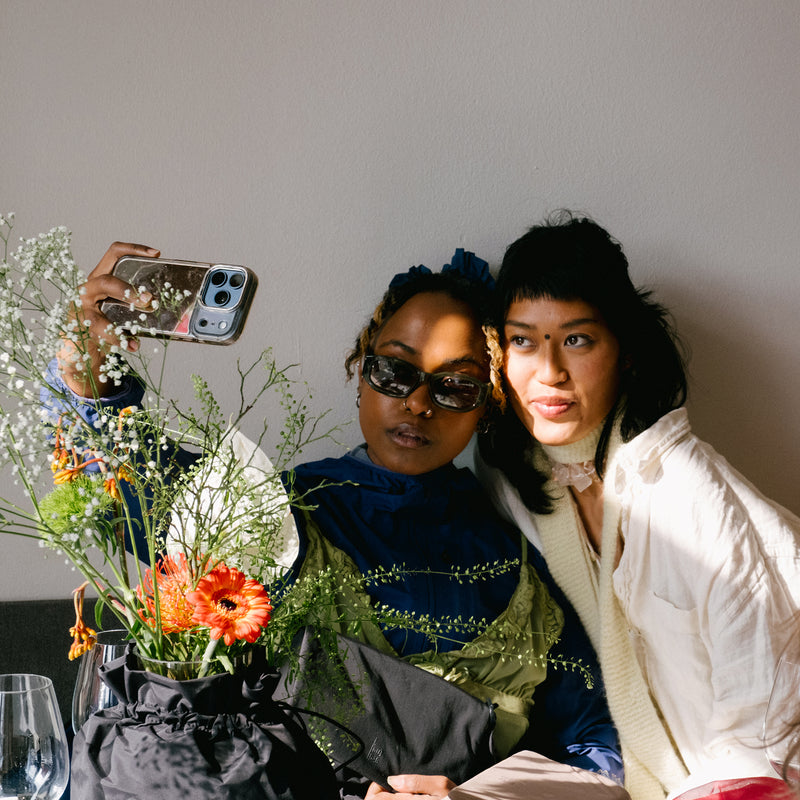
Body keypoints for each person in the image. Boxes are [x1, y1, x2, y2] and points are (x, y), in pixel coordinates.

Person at [46, 241, 624, 800]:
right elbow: (119, 490)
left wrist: (480, 798)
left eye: (455, 386)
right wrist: (87, 373)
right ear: (360, 371)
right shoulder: (266, 511)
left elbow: (598, 749)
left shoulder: (521, 561)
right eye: (394, 371)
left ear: (489, 402)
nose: (417, 403)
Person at [475, 212, 800, 800]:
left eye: (577, 339)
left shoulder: (681, 484)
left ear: (625, 350)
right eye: (523, 340)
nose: (549, 372)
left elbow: (763, 712)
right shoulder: (513, 485)